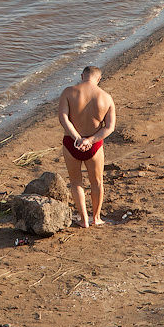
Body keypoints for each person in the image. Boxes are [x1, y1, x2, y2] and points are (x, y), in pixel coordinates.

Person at [58, 66, 116, 228]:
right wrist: (90, 140)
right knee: (97, 182)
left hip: (71, 142)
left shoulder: (68, 92)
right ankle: (96, 218)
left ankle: (84, 220)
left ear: (82, 76)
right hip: (94, 145)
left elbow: (63, 118)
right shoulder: (106, 97)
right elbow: (109, 127)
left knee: (76, 182)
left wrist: (77, 138)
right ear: (98, 79)